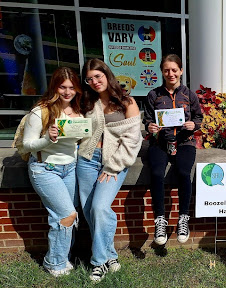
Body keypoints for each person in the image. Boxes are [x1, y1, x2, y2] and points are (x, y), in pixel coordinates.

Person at [77, 58, 142, 282]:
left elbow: (133, 141)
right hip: (86, 159)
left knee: (100, 207)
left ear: (107, 75)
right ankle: (111, 255)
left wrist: (113, 166)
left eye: (98, 76)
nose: (95, 81)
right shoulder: (86, 102)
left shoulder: (126, 102)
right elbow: (76, 129)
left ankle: (98, 263)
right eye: (89, 79)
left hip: (113, 163)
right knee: (89, 212)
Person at [23, 67, 83, 277]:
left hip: (71, 168)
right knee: (66, 215)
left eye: (72, 87)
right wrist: (48, 138)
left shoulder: (79, 110)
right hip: (46, 168)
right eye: (62, 87)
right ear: (54, 87)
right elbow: (27, 144)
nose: (67, 92)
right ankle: (54, 262)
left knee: (69, 215)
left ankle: (63, 257)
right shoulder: (41, 111)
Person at [144, 54, 203, 245]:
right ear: (162, 71)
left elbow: (199, 118)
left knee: (184, 173)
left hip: (184, 142)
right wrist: (151, 127)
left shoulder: (189, 95)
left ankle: (183, 219)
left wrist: (193, 125)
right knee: (156, 173)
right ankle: (160, 220)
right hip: (160, 143)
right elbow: (147, 120)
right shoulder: (154, 95)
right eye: (166, 70)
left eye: (174, 70)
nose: (171, 74)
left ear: (181, 71)